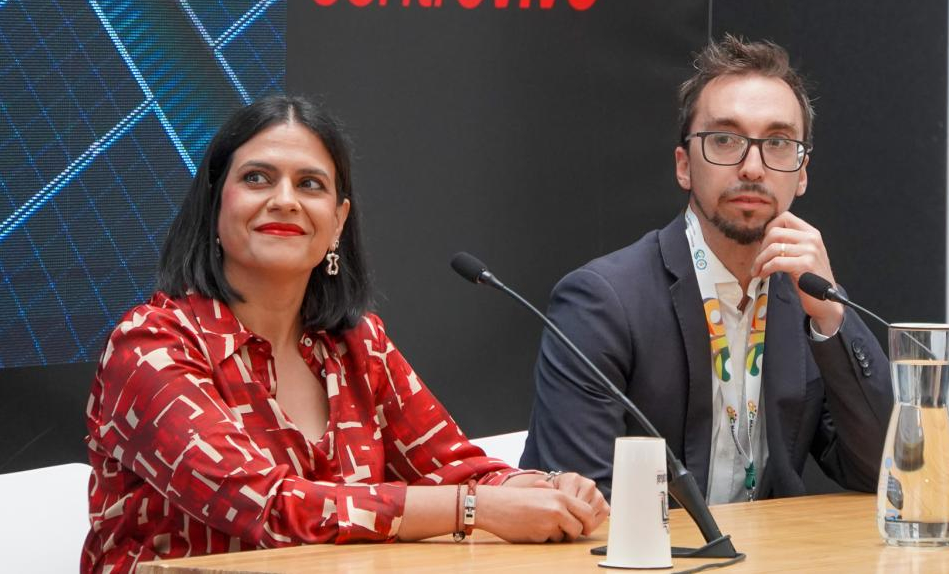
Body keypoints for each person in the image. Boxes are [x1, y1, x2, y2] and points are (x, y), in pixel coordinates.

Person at [82, 96, 608, 573]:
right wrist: (474, 509)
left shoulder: (357, 344)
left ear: (337, 221)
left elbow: (454, 467)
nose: (285, 200)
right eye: (258, 178)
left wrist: (545, 489)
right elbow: (269, 509)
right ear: (215, 205)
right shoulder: (150, 346)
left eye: (310, 184)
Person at [520, 36, 892, 505]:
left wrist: (831, 319)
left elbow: (883, 470)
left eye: (778, 143)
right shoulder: (603, 302)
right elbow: (583, 505)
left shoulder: (803, 300)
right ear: (684, 166)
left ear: (801, 173)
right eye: (724, 140)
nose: (752, 167)